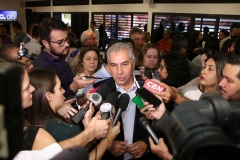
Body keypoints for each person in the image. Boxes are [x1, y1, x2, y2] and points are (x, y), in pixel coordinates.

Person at [4, 63, 120, 160]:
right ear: (48, 96)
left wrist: (58, 107)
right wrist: (106, 137)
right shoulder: (39, 134)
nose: (32, 89)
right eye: (60, 88)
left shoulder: (25, 118)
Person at [102, 42, 159, 160]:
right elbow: (88, 128)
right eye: (113, 65)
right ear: (108, 66)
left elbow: (163, 127)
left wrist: (146, 143)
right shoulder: (101, 91)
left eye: (124, 64)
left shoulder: (149, 89)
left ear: (134, 64)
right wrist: (107, 144)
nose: (119, 71)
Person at [33, 17, 96, 98]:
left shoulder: (59, 57)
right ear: (46, 43)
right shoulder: (42, 67)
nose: (67, 44)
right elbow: (48, 103)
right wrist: (73, 87)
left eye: (66, 39)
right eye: (60, 42)